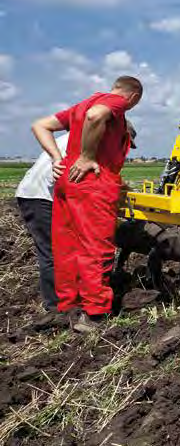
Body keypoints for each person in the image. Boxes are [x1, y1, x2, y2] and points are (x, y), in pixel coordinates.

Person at [30, 76, 142, 333]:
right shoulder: (116, 103)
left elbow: (40, 125)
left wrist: (57, 158)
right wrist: (87, 156)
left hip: (68, 179)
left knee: (68, 245)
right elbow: (96, 116)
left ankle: (68, 306)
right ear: (133, 97)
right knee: (96, 248)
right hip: (93, 183)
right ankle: (94, 314)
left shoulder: (81, 105)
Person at [15, 134, 69, 311]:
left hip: (44, 194)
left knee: (60, 249)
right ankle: (54, 306)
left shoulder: (75, 136)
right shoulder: (87, 141)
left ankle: (65, 296)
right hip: (38, 196)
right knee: (51, 251)